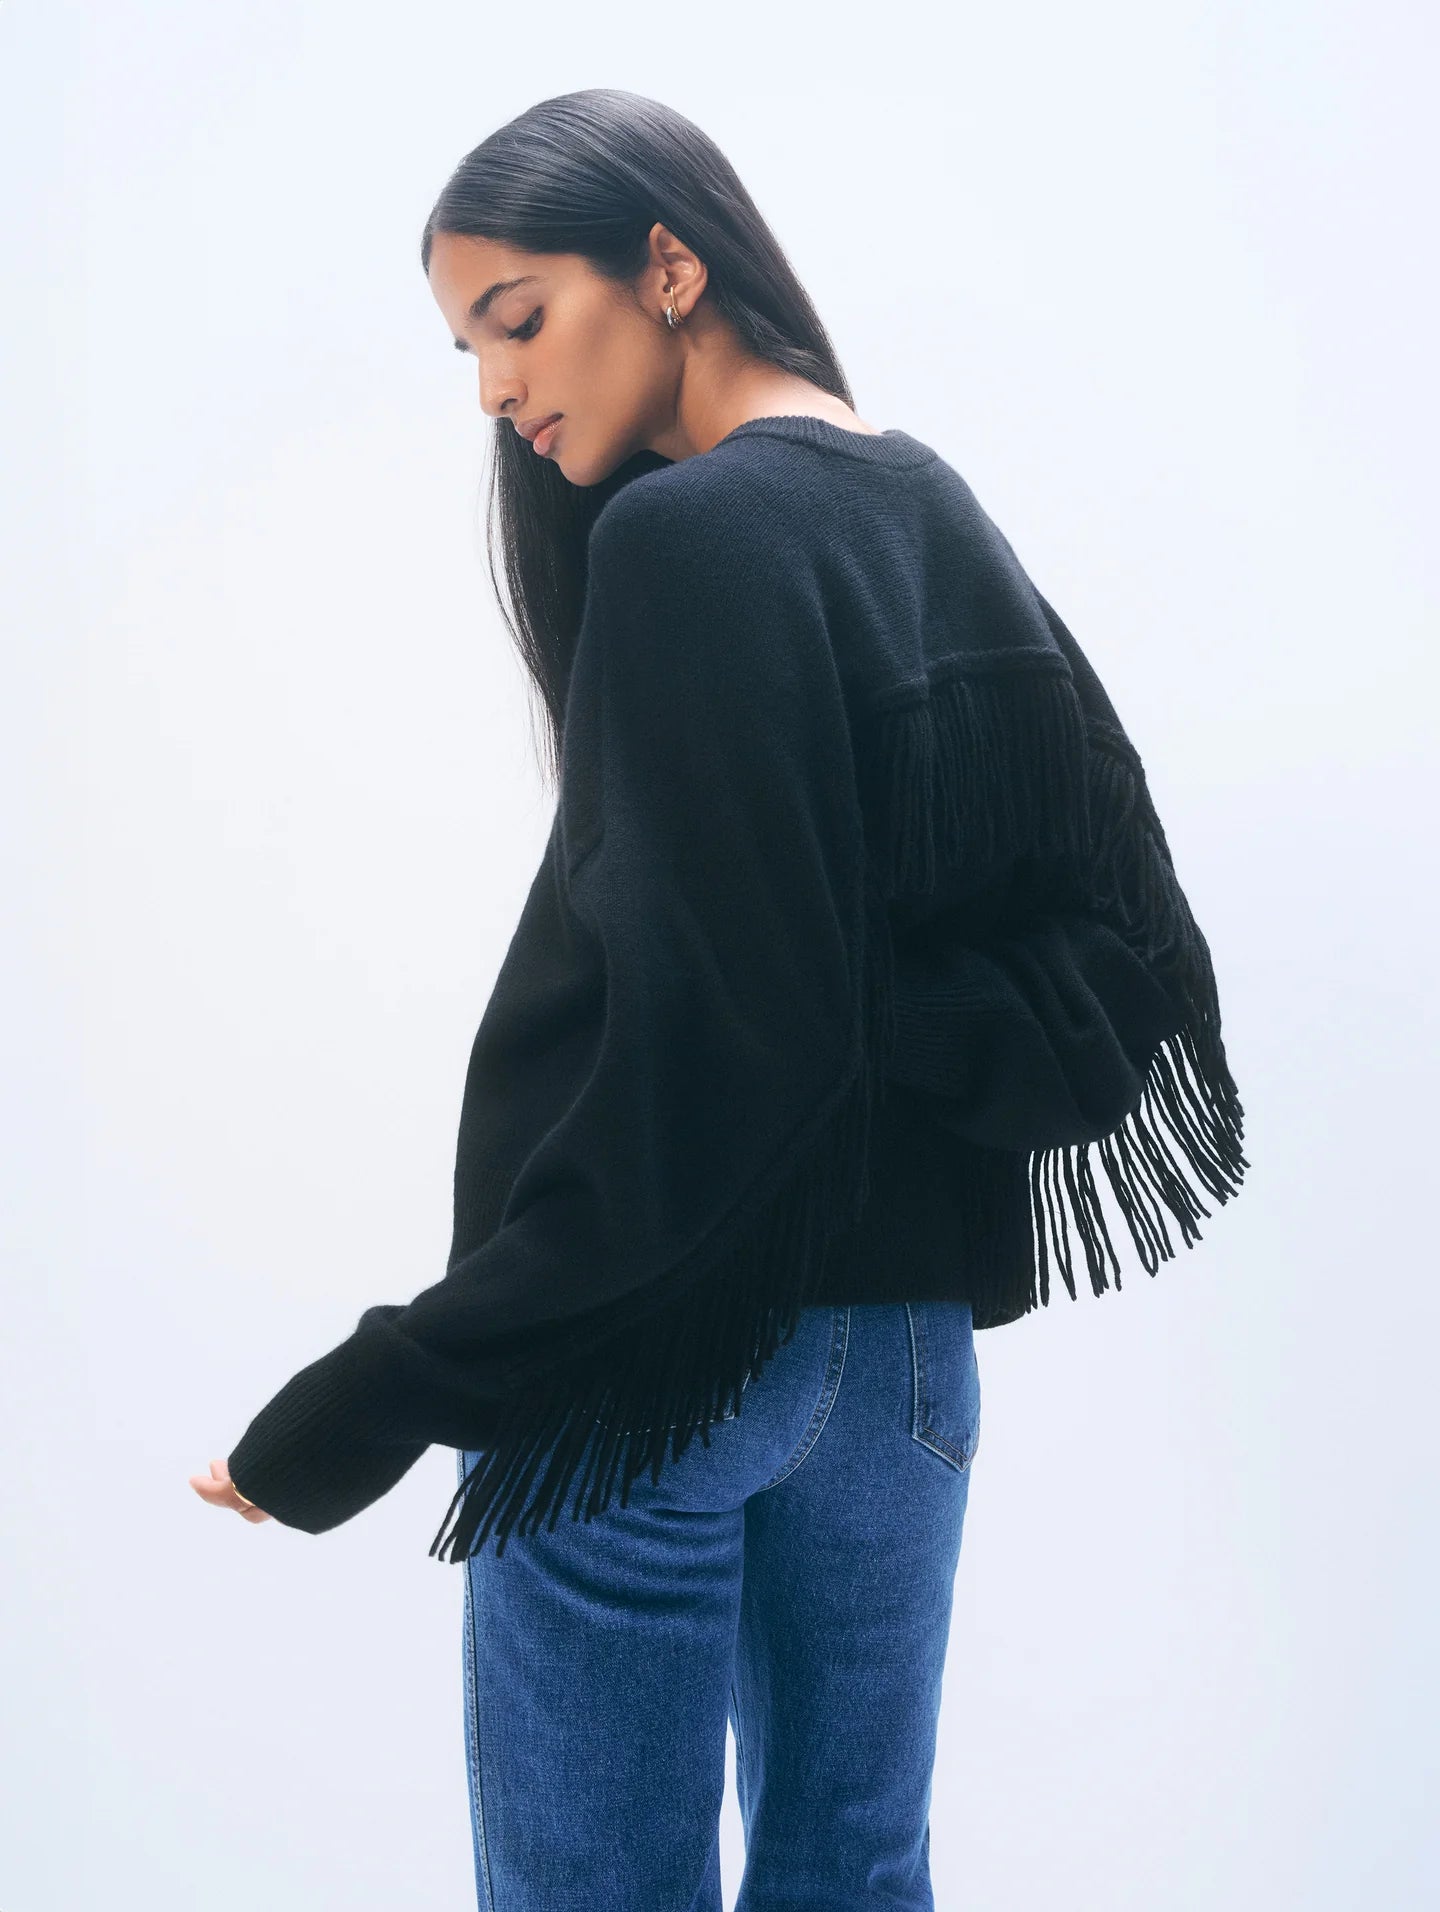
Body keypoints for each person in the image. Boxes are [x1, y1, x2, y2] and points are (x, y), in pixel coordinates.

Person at [190, 88, 1247, 1912]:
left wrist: (383, 1390)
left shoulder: (684, 545)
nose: (494, 389)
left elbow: (704, 1069)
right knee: (857, 1873)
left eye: (518, 318)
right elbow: (1130, 959)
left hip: (658, 1355)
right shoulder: (931, 506)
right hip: (901, 1364)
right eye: (465, 345)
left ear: (668, 264)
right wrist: (880, 1025)